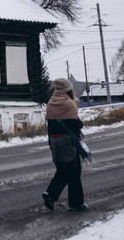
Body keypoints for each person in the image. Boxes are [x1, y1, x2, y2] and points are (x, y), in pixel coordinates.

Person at [42, 78, 88, 212]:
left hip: (55, 142)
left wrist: (51, 142)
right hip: (68, 142)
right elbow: (76, 124)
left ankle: (51, 194)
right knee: (74, 172)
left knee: (63, 170)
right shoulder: (68, 104)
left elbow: (50, 126)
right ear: (67, 90)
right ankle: (75, 204)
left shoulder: (51, 103)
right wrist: (80, 124)